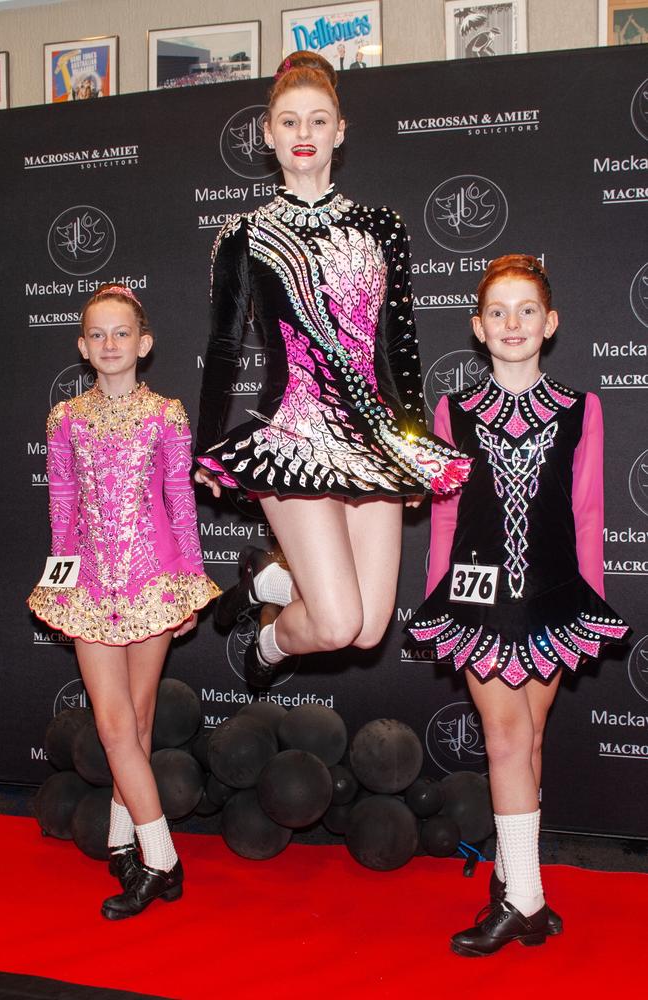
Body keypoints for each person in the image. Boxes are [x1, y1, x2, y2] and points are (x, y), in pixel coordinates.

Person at [194, 50, 471, 688]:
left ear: (339, 131)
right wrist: (207, 449)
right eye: (289, 122)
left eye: (318, 121)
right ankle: (266, 643)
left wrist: (412, 449)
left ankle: (270, 580)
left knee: (371, 629)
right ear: (267, 133)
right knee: (338, 622)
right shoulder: (243, 236)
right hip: (293, 436)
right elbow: (225, 347)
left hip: (373, 440)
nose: (303, 135)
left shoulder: (384, 228)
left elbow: (398, 347)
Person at [408, 255, 629, 956]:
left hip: (554, 600)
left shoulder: (581, 407)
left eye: (526, 310)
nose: (512, 323)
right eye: (497, 312)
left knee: (529, 741)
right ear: (477, 327)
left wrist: (587, 603)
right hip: (476, 602)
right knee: (504, 740)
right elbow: (444, 518)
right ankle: (527, 903)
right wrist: (436, 599)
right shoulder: (453, 410)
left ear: (551, 323)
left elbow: (589, 512)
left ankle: (512, 881)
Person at [28, 284, 220, 920]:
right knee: (113, 726)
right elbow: (62, 510)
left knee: (136, 722)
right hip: (88, 588)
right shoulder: (65, 419)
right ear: (82, 347)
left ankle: (122, 837)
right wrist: (58, 586)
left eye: (121, 333)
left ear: (145, 343)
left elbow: (181, 505)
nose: (110, 345)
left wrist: (190, 584)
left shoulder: (166, 414)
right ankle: (162, 858)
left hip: (155, 582)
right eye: (98, 335)